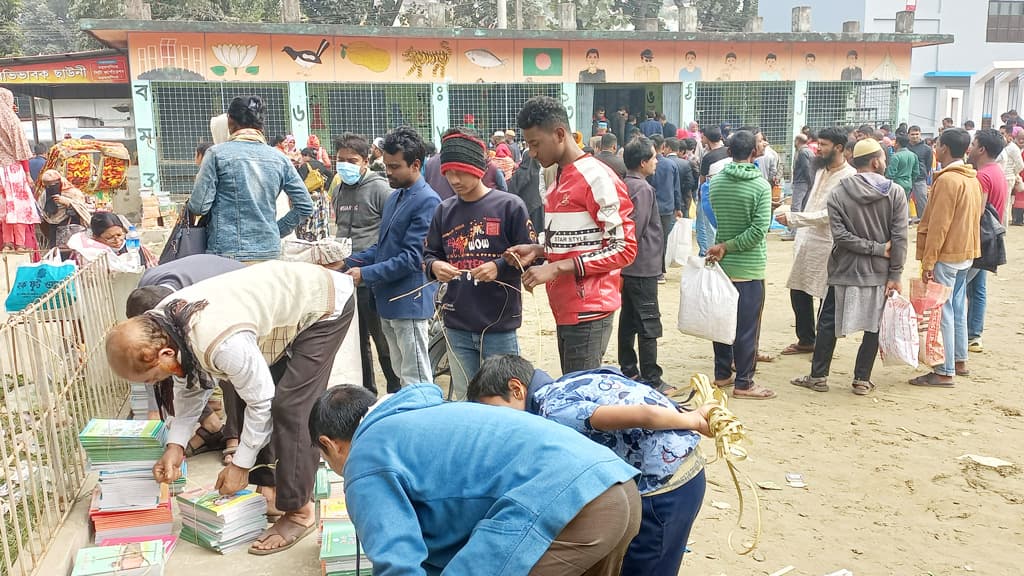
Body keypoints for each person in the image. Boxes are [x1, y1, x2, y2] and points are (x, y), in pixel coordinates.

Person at [107, 261, 355, 555]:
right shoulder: (163, 324)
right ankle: (274, 490)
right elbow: (189, 386)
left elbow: (262, 401)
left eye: (153, 377)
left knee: (290, 407)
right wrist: (175, 446)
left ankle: (300, 511)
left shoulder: (219, 342)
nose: (156, 382)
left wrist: (240, 465)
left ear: (165, 353)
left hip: (324, 304)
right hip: (278, 315)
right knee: (254, 391)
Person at [309, 383, 641, 575]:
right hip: (615, 483)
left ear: (329, 444)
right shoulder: (422, 415)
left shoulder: (366, 456)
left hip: (568, 505)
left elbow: (398, 562)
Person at [468, 355, 709, 575]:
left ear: (516, 388)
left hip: (666, 486)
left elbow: (645, 413)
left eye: (497, 411)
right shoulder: (564, 384)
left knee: (647, 565)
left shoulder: (553, 409)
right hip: (681, 469)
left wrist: (693, 420)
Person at [506, 96, 637, 374]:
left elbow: (624, 248)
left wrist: (557, 267)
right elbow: (580, 238)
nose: (530, 152)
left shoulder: (597, 177)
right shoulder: (559, 177)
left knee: (578, 400)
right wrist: (540, 251)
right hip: (567, 307)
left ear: (560, 134)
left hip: (589, 308)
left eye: (535, 143)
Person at [423, 130, 536, 399]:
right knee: (464, 395)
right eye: (448, 172)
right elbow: (428, 254)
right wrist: (434, 267)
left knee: (503, 397)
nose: (454, 180)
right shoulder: (444, 211)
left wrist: (500, 266)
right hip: (457, 323)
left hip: (498, 323)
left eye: (461, 172)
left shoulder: (510, 206)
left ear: (479, 168)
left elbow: (532, 255)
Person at [791, 138, 908, 396]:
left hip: (843, 269)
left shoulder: (839, 191)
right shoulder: (895, 192)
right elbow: (899, 237)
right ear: (876, 161)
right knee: (873, 326)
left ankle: (818, 376)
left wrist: (869, 247)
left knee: (828, 323)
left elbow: (841, 237)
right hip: (879, 272)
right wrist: (893, 269)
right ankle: (862, 379)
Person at [342, 127, 441, 387]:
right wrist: (346, 262)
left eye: (395, 167)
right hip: (387, 300)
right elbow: (383, 248)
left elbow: (411, 258)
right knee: (400, 372)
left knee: (416, 380)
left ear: (415, 164)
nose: (388, 172)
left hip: (409, 302)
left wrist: (365, 274)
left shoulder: (427, 201)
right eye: (386, 165)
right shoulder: (396, 197)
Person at [125, 254, 246, 464]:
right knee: (170, 361)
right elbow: (150, 357)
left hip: (238, 291)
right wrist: (153, 409)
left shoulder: (200, 301)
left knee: (226, 364)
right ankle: (212, 426)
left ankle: (234, 438)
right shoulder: (144, 289)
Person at [189, 96, 313, 262]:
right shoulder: (280, 158)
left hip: (227, 253)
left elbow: (199, 207)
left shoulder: (216, 154)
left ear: (230, 121)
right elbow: (305, 206)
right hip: (269, 252)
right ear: (261, 124)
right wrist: (276, 230)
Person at [705, 130, 775, 400]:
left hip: (722, 267)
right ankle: (744, 383)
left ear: (729, 151)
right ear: (754, 153)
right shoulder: (761, 187)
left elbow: (714, 217)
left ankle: (722, 373)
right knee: (747, 328)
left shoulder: (716, 183)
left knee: (722, 324)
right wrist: (729, 246)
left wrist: (723, 245)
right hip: (749, 267)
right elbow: (759, 231)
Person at [910, 129, 982, 388]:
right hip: (966, 253)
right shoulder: (971, 178)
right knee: (958, 308)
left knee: (943, 312)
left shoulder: (948, 180)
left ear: (945, 149)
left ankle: (944, 370)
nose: (934, 149)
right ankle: (959, 359)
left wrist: (928, 262)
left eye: (937, 145)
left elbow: (939, 225)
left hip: (948, 255)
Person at [330, 133, 401, 395]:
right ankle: (367, 392)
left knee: (382, 340)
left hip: (372, 276)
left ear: (365, 161)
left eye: (352, 160)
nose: (345, 165)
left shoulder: (381, 189)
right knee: (356, 343)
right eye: (341, 160)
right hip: (344, 277)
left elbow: (392, 231)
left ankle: (395, 388)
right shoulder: (338, 188)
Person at [778, 127, 855, 357]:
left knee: (825, 295)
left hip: (828, 244)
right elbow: (812, 202)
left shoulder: (849, 177)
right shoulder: (820, 170)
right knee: (798, 290)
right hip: (806, 240)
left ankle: (822, 345)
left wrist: (794, 218)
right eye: (818, 144)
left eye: (823, 145)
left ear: (839, 148)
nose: (818, 149)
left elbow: (831, 214)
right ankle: (806, 339)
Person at [617, 137, 668, 390]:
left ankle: (629, 368)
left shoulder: (623, 184)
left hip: (629, 267)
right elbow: (634, 230)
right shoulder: (643, 189)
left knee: (629, 319)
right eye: (654, 157)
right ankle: (651, 376)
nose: (657, 161)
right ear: (643, 162)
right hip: (641, 266)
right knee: (648, 321)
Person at [965, 129, 1008, 354]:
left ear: (981, 149)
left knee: (959, 288)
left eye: (973, 144)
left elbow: (978, 211)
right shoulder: (997, 171)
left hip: (978, 239)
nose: (969, 148)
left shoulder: (982, 176)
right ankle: (974, 336)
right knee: (978, 288)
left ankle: (963, 337)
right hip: (991, 238)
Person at [0, 87, 40, 251]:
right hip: (13, 171)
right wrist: (28, 174)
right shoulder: (12, 120)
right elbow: (22, 150)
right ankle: (21, 244)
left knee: (4, 209)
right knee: (19, 209)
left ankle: (7, 243)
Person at [647, 134, 680, 284]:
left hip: (650, 206)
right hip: (667, 207)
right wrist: (678, 207)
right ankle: (660, 272)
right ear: (663, 146)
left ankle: (651, 270)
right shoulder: (671, 165)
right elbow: (676, 189)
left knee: (649, 239)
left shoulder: (645, 163)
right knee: (663, 240)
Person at [72, 212, 157, 268]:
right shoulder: (87, 255)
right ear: (95, 237)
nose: (117, 240)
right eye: (109, 238)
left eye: (119, 235)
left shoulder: (135, 247)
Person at [38, 168, 92, 250]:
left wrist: (68, 203)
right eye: (47, 185)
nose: (49, 188)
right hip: (52, 228)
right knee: (55, 251)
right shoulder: (45, 194)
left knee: (70, 251)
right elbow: (41, 208)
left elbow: (82, 210)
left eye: (53, 185)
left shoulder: (73, 193)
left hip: (70, 226)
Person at [696, 126, 730, 255]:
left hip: (711, 195)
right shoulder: (729, 151)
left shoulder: (708, 158)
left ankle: (708, 253)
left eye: (703, 136)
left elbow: (702, 180)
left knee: (707, 226)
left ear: (707, 138)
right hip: (726, 194)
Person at [295, 147, 334, 241]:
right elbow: (331, 175)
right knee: (321, 216)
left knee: (308, 218)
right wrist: (325, 187)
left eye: (303, 156)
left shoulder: (305, 167)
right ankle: (320, 235)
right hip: (320, 195)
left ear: (307, 156)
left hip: (309, 196)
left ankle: (308, 236)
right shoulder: (321, 165)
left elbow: (298, 182)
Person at [996, 125, 1024, 224]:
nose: (1000, 136)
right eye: (999, 133)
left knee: (1004, 205)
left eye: (1003, 134)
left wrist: (1013, 173)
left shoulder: (1013, 148)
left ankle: (1003, 229)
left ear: (1009, 135)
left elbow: (1020, 165)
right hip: (998, 177)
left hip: (1008, 178)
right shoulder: (1000, 147)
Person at [665, 137, 696, 220]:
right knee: (682, 227)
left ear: (668, 148)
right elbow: (690, 183)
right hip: (683, 200)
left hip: (666, 202)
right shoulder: (685, 163)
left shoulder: (661, 163)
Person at [907, 126, 933, 220]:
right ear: (908, 135)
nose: (914, 136)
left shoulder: (927, 149)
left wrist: (924, 173)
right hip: (906, 178)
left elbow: (928, 164)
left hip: (920, 178)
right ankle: (906, 220)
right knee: (904, 200)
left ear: (920, 135)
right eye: (912, 134)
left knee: (922, 200)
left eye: (917, 134)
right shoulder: (905, 147)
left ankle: (924, 220)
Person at [791, 133, 816, 213]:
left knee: (796, 206)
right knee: (804, 206)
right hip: (809, 182)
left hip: (801, 182)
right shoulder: (810, 152)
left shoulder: (802, 152)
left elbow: (806, 167)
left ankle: (795, 224)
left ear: (798, 141)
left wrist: (809, 180)